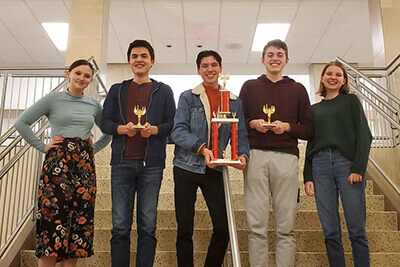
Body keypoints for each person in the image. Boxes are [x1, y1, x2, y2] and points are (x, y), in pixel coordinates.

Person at [14, 59, 111, 267]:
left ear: (91, 79)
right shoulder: (53, 99)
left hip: (84, 167)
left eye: (86, 76)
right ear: (69, 73)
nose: (82, 78)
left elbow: (108, 133)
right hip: (57, 163)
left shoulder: (94, 104)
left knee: (78, 222)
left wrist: (92, 150)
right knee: (52, 220)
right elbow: (21, 123)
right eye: (78, 73)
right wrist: (42, 146)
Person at [100, 39, 176, 267]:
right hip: (121, 163)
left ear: (152, 61)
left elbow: (172, 124)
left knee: (148, 226)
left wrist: (154, 130)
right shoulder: (117, 89)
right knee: (120, 227)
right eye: (135, 56)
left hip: (151, 165)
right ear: (129, 61)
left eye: (144, 56)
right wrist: (121, 129)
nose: (139, 60)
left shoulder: (164, 90)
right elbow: (105, 122)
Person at [239, 39, 314, 267]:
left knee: (286, 226)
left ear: (287, 60)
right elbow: (239, 122)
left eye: (280, 55)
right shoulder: (249, 87)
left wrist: (288, 127)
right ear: (262, 60)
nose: (275, 58)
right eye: (270, 54)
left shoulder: (298, 89)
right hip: (256, 156)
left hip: (287, 158)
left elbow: (309, 129)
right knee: (256, 225)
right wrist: (253, 124)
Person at [171, 50, 250, 267]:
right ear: (198, 70)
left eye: (214, 65)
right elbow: (177, 131)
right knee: (184, 228)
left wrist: (242, 155)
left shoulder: (234, 101)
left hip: (215, 168)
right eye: (204, 66)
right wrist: (202, 148)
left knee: (223, 227)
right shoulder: (188, 97)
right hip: (186, 166)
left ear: (220, 69)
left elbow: (240, 133)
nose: (210, 69)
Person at [304, 61, 371, 267]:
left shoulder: (351, 101)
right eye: (329, 73)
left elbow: (364, 136)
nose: (333, 77)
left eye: (338, 74)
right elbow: (310, 143)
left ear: (344, 80)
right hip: (320, 165)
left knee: (356, 228)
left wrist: (358, 167)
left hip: (347, 165)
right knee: (330, 230)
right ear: (322, 78)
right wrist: (308, 176)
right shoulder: (314, 109)